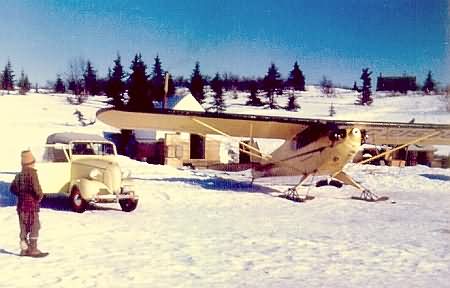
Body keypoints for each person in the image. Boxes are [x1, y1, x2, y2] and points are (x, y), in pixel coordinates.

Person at [10, 150, 46, 257]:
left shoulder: (19, 175)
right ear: (31, 163)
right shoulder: (32, 173)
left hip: (21, 206)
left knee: (23, 227)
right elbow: (37, 189)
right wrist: (39, 197)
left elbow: (12, 188)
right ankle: (33, 249)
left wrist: (21, 194)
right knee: (35, 226)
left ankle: (24, 249)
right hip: (31, 206)